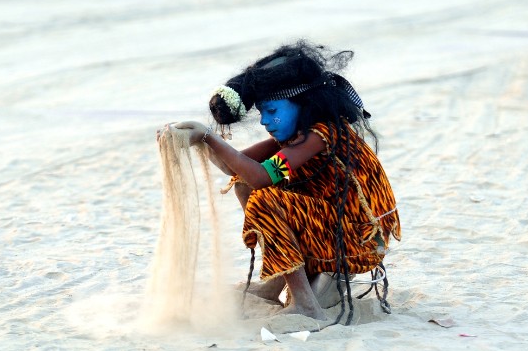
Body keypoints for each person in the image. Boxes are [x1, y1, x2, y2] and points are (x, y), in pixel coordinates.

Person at [162, 41, 400, 324]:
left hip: (360, 239)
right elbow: (233, 166)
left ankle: (306, 304)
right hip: (334, 225)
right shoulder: (292, 136)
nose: (265, 121)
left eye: (273, 111)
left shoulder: (320, 135)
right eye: (262, 113)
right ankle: (276, 284)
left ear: (304, 105)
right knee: (243, 184)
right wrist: (196, 138)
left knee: (264, 197)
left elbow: (263, 176)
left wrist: (208, 138)